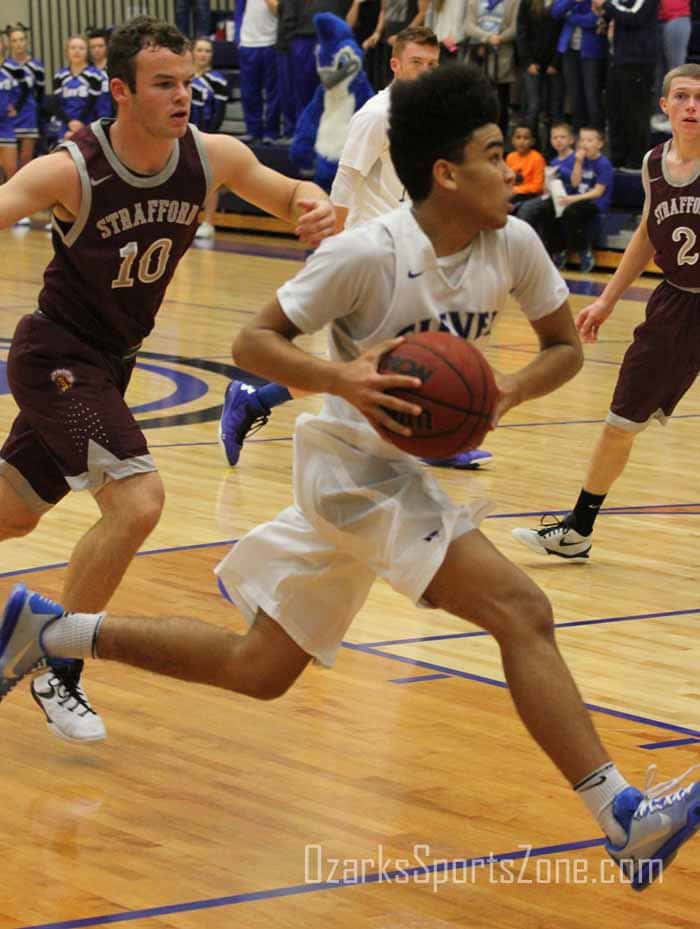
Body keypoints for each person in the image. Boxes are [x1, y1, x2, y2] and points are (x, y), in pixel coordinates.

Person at [4, 62, 700, 891]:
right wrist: (344, 378)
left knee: (259, 669)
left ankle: (51, 632)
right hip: (350, 472)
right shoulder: (369, 254)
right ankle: (622, 815)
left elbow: (563, 347)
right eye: (493, 155)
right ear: (446, 173)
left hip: (395, 474)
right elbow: (252, 343)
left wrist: (506, 390)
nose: (514, 170)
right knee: (523, 609)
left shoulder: (513, 243)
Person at [0, 15, 334, 744]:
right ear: (121, 91)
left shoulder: (210, 156)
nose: (182, 95)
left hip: (110, 365)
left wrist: (313, 207)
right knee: (138, 502)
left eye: (187, 82)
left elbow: (290, 194)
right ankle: (58, 665)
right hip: (57, 358)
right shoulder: (72, 167)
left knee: (14, 513)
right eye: (163, 84)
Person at [219, 26, 492, 469]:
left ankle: (254, 400)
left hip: (415, 248)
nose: (426, 72)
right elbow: (345, 181)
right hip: (372, 252)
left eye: (432, 64)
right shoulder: (377, 115)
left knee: (415, 352)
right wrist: (331, 247)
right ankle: (254, 400)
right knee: (370, 364)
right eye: (417, 63)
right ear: (396, 64)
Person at [512, 64, 700, 559]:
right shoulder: (654, 163)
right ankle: (577, 530)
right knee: (621, 419)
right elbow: (647, 233)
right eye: (682, 96)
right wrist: (606, 298)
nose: (692, 106)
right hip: (676, 301)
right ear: (664, 106)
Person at [594, 0, 658, 171]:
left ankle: (637, 161)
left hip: (637, 61)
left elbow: (634, 17)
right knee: (615, 111)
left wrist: (606, 5)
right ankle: (618, 159)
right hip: (616, 61)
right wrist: (603, 19)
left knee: (636, 113)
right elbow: (615, 12)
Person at [548, 124, 613, 272]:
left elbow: (597, 192)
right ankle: (559, 251)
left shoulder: (603, 163)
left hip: (596, 203)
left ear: (600, 144)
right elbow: (575, 183)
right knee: (553, 211)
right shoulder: (580, 160)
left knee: (570, 212)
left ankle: (585, 253)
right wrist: (577, 162)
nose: (584, 144)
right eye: (582, 140)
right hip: (580, 199)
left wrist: (572, 199)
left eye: (589, 140)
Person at [190, 37, 229, 238]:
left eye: (207, 51)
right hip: (183, 133)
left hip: (206, 133)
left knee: (211, 178)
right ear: (192, 52)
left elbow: (219, 111)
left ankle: (209, 222)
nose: (203, 54)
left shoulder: (218, 80)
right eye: (199, 50)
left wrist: (209, 133)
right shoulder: (185, 77)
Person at [516, 119, 575, 242]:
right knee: (528, 208)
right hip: (553, 198)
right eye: (555, 138)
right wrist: (548, 181)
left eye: (562, 137)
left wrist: (560, 170)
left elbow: (576, 181)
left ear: (571, 140)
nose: (558, 140)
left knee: (528, 208)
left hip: (569, 197)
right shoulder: (553, 162)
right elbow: (545, 189)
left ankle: (525, 243)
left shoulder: (576, 158)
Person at [516, 0, 563, 151]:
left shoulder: (562, 3)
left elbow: (563, 34)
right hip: (532, 63)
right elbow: (522, 32)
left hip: (555, 64)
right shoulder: (527, 3)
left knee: (554, 109)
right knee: (533, 107)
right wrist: (528, 61)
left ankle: (553, 151)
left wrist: (556, 62)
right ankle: (533, 149)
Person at [52, 34, 112, 142]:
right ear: (67, 51)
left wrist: (79, 123)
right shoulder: (59, 75)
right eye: (73, 48)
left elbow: (93, 103)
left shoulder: (95, 75)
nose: (77, 51)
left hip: (88, 125)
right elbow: (56, 104)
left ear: (87, 52)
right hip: (65, 126)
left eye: (81, 48)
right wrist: (69, 122)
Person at [3, 25, 45, 172]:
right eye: (14, 40)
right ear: (9, 43)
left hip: (28, 116)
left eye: (21, 39)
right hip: (8, 116)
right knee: (9, 165)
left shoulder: (36, 65)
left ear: (26, 41)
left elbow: (40, 92)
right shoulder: (4, 65)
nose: (18, 44)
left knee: (26, 162)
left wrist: (37, 115)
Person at [506, 122, 546, 213]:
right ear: (512, 140)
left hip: (529, 196)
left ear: (532, 141)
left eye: (526, 138)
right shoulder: (510, 157)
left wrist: (516, 190)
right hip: (512, 193)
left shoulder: (537, 158)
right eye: (518, 137)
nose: (522, 141)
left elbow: (538, 186)